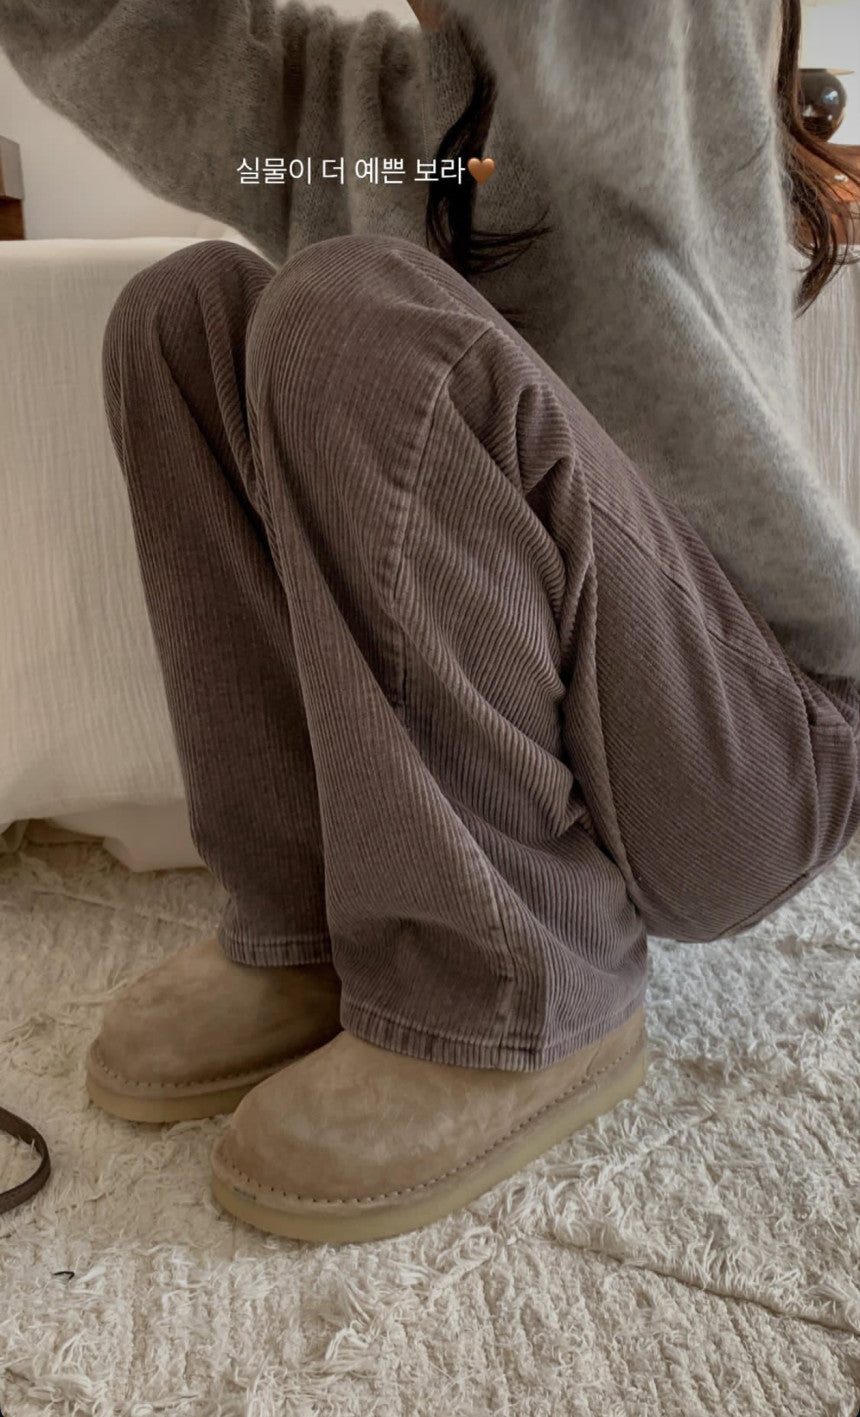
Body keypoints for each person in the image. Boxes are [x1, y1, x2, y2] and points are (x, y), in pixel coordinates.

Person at [1, 0, 858, 1244]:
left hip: (750, 750)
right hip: (606, 704)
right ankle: (312, 928)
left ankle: (514, 985)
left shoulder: (684, 54)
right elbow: (157, 53)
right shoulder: (407, 132)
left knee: (350, 303)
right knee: (180, 313)